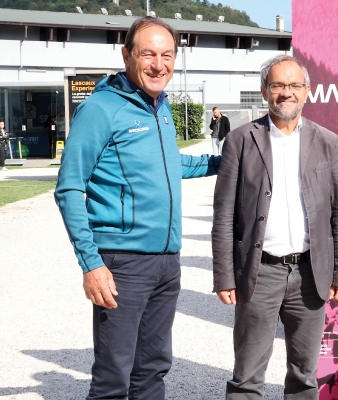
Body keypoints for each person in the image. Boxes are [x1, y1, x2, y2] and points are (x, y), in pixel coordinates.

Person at [54, 17, 221, 399]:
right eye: (148, 54)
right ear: (127, 54)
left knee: (153, 370)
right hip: (122, 263)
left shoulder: (160, 108)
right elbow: (68, 188)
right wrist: (91, 264)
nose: (158, 64)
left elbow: (169, 166)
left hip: (166, 261)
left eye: (167, 55)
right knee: (114, 376)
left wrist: (221, 163)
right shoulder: (100, 108)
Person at [212, 54, 338, 399]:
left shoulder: (327, 142)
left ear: (307, 91)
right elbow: (224, 214)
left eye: (294, 85)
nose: (285, 93)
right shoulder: (242, 140)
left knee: (304, 376)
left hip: (310, 274)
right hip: (259, 273)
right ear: (265, 91)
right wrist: (224, 276)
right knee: (247, 375)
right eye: (277, 85)